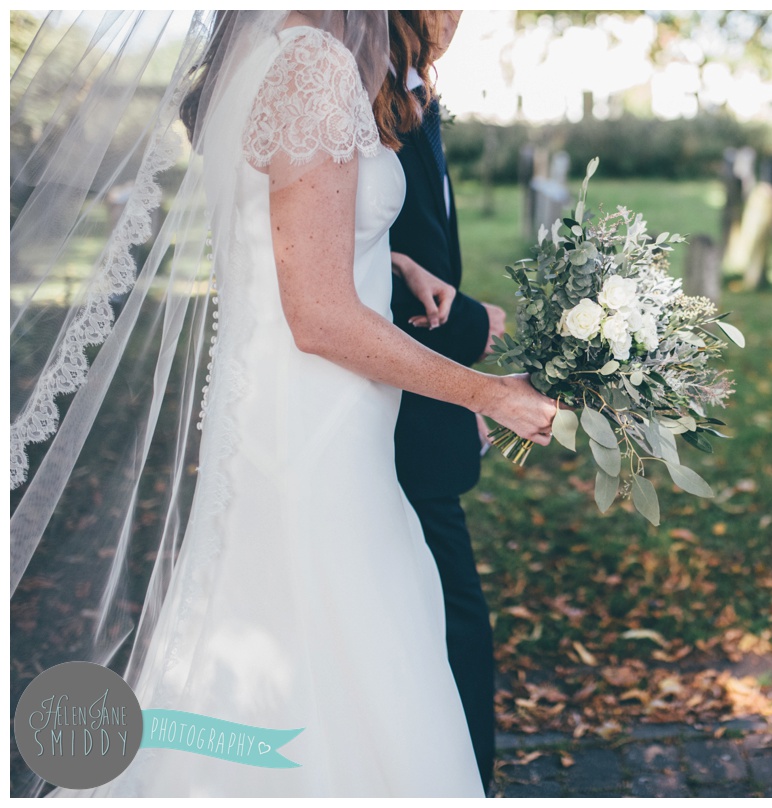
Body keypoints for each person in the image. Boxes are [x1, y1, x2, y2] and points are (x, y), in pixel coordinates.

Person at [10, 10, 556, 797]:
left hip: (305, 423)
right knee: (336, 646)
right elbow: (320, 317)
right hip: (313, 433)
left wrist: (388, 254)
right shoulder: (315, 68)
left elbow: (279, 228)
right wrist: (489, 394)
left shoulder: (273, 56)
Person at [384, 10, 503, 790]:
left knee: (429, 622)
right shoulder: (351, 86)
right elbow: (337, 281)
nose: (454, 13)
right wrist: (472, 327)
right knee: (452, 629)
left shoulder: (414, 88)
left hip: (421, 411)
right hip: (391, 423)